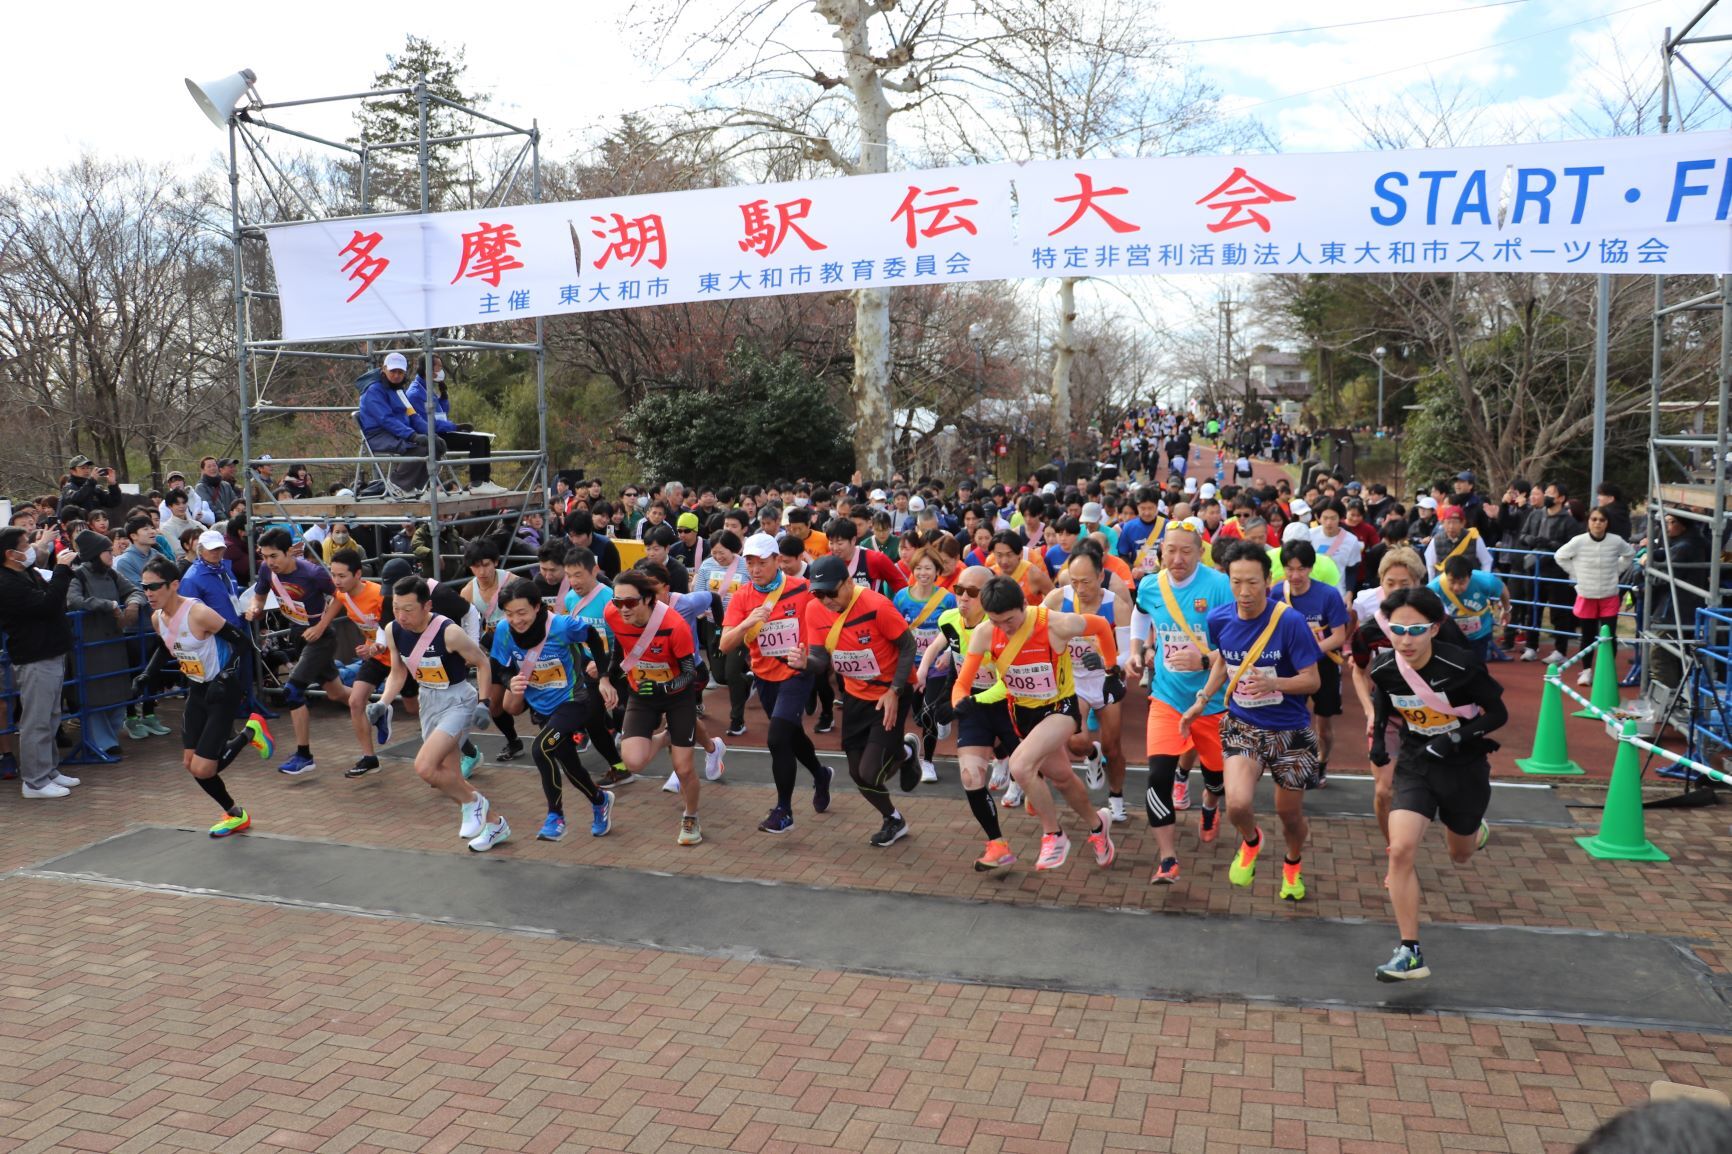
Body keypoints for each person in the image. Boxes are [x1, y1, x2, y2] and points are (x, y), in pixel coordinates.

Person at [1366, 586, 1506, 981]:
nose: (1405, 639)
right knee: (1401, 850)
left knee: (1459, 853)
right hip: (1416, 764)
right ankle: (1409, 951)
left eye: (1416, 630)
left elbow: (1497, 713)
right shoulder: (1384, 667)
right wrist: (1379, 743)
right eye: (1397, 630)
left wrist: (1455, 739)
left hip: (1464, 765)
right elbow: (1383, 703)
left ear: (1435, 628)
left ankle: (1474, 831)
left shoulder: (1460, 664)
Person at [1179, 540, 1323, 901]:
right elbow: (1223, 661)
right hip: (1243, 724)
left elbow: (1313, 680)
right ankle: (1251, 843)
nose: (1244, 592)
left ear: (1269, 580)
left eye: (1253, 583)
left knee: (1288, 814)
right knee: (1239, 803)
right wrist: (1201, 699)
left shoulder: (1289, 622)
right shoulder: (1219, 618)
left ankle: (1292, 864)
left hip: (1290, 730)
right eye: (1236, 582)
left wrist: (1274, 683)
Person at [951, 574, 1120, 872]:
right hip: (1024, 716)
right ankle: (1097, 826)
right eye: (996, 621)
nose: (1005, 628)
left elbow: (1102, 626)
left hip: (1061, 709)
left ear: (1024, 605)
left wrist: (1111, 667)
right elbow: (962, 684)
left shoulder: (1056, 623)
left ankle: (1053, 835)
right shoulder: (985, 633)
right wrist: (960, 702)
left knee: (1019, 766)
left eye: (1010, 621)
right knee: (1062, 778)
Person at [134, 557, 273, 836]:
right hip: (197, 689)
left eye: (154, 587)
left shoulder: (198, 613)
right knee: (190, 764)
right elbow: (165, 645)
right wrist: (148, 674)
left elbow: (243, 643)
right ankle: (236, 815)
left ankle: (250, 732)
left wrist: (224, 677)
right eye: (144, 587)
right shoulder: (156, 617)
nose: (148, 593)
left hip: (223, 690)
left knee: (203, 767)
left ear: (174, 585)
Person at [1127, 518, 1234, 882]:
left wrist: (1204, 660)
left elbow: (1240, 643)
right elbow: (1140, 615)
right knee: (1158, 775)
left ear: (1200, 552)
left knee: (1217, 777)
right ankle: (1168, 859)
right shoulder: (1150, 585)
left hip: (1214, 702)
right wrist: (1135, 649)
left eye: (1185, 551)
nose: (1177, 558)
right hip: (1167, 698)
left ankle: (1209, 803)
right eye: (1169, 550)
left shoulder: (1220, 586)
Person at [373, 575, 508, 851]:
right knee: (451, 778)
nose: (401, 615)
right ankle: (495, 825)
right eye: (396, 607)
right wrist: (383, 703)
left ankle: (475, 803)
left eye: (408, 609)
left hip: (458, 700)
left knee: (424, 767)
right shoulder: (393, 630)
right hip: (428, 700)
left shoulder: (449, 632)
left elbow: (483, 663)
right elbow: (398, 672)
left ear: (427, 606)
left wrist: (484, 702)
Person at [798, 556, 922, 846]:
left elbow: (908, 646)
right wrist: (806, 663)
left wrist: (893, 690)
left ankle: (903, 752)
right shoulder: (814, 610)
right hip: (854, 695)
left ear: (849, 582)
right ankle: (893, 818)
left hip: (891, 693)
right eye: (819, 593)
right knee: (856, 773)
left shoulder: (877, 606)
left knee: (870, 772)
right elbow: (820, 659)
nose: (826, 599)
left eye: (831, 592)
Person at [719, 532, 834, 833]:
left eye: (762, 562)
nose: (756, 570)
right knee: (792, 737)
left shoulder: (802, 589)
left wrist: (816, 653)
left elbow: (832, 615)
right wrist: (747, 622)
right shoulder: (743, 597)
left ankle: (783, 810)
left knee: (777, 737)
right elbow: (725, 645)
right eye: (750, 563)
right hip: (765, 676)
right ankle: (821, 775)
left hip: (797, 672)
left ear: (777, 561)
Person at [493, 578, 617, 841]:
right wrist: (509, 681)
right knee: (570, 767)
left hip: (574, 700)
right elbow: (499, 666)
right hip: (542, 706)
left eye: (522, 612)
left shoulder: (562, 626)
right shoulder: (504, 629)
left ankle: (555, 816)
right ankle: (600, 799)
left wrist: (603, 675)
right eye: (510, 613)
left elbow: (593, 636)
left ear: (538, 607)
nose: (516, 619)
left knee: (540, 749)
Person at [246, 528, 345, 776]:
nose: (270, 562)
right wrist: (254, 609)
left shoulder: (312, 573)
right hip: (299, 636)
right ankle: (376, 708)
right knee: (336, 692)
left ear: (289, 551)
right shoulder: (267, 571)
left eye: (274, 555)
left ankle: (304, 755)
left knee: (292, 690)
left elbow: (341, 596)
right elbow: (258, 597)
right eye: (265, 556)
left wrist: (321, 626)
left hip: (321, 638)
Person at [1044, 544, 1131, 822]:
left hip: (1106, 682)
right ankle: (1090, 756)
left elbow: (1128, 653)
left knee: (1113, 747)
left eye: (1087, 581)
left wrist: (1109, 660)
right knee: (1077, 743)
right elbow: (1033, 625)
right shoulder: (1058, 599)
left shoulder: (1115, 604)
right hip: (1073, 681)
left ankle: (1116, 797)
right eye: (1074, 580)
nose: (1080, 588)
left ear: (1101, 576)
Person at [0, 527, 83, 799]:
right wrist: (61, 569)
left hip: (51, 650)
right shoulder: (7, 582)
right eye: (25, 545)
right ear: (10, 554)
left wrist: (57, 574)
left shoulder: (25, 573)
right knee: (36, 719)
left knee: (51, 716)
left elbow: (53, 600)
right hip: (34, 655)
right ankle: (34, 780)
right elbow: (47, 605)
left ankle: (48, 769)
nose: (30, 549)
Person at [1271, 540, 1350, 790]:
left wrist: (1308, 650)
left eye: (1301, 569)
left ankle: (1322, 762)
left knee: (1324, 724)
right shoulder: (1275, 593)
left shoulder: (1328, 595)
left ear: (1311, 568)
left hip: (1324, 665)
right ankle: (1294, 766)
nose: (1295, 575)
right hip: (1290, 668)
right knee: (1293, 719)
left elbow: (1338, 636)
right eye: (1289, 568)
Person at [67, 529, 148, 757]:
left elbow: (134, 590)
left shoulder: (112, 574)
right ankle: (102, 742)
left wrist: (132, 605)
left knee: (117, 692)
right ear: (95, 554)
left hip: (114, 643)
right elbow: (73, 601)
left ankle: (110, 738)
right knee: (93, 694)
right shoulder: (77, 576)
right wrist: (107, 604)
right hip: (89, 646)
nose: (112, 555)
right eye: (107, 552)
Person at [1554, 506, 1637, 687]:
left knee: (1609, 636)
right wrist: (1576, 573)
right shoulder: (1579, 541)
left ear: (1607, 523)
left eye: (1602, 520)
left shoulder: (1615, 541)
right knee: (1587, 635)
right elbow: (1560, 556)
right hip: (1587, 593)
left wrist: (1617, 570)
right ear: (1588, 522)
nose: (1598, 523)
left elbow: (1629, 554)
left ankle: (1606, 671)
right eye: (1594, 519)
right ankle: (1586, 671)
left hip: (1609, 595)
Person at [894, 549, 956, 784]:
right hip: (911, 666)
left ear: (937, 571)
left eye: (928, 568)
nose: (923, 573)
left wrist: (949, 653)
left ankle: (927, 762)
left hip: (938, 666)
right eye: (919, 568)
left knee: (928, 712)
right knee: (918, 715)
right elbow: (894, 631)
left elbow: (956, 632)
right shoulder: (901, 598)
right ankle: (942, 715)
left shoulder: (947, 599)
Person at [461, 537, 523, 760]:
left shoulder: (513, 582)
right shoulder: (468, 592)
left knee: (522, 701)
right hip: (496, 654)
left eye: (486, 564)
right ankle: (513, 741)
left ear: (495, 562)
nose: (482, 570)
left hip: (522, 650)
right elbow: (467, 628)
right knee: (494, 706)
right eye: (476, 566)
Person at [407, 354, 503, 493]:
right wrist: (456, 427)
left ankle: (485, 481)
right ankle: (477, 483)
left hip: (441, 430)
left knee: (483, 439)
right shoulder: (415, 393)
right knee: (476, 441)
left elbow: (442, 413)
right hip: (432, 435)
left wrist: (444, 396)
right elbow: (428, 423)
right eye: (438, 367)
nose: (441, 370)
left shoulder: (428, 388)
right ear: (427, 369)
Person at [357, 352, 445, 494]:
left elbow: (413, 416)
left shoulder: (399, 390)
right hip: (378, 435)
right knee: (419, 448)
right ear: (384, 368)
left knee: (435, 446)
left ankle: (415, 486)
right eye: (393, 371)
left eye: (400, 372)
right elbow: (386, 419)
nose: (397, 375)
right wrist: (413, 436)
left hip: (398, 432)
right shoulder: (373, 390)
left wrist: (431, 434)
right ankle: (398, 485)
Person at [694, 529, 752, 735]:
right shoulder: (707, 566)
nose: (718, 557)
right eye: (715, 553)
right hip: (714, 624)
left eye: (722, 553)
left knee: (732, 672)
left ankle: (737, 719)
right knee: (719, 675)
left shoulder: (746, 566)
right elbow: (698, 593)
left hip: (739, 625)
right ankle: (749, 680)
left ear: (734, 549)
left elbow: (752, 593)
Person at [1428, 555, 1510, 666]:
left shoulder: (1485, 581)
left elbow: (1502, 589)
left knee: (1477, 666)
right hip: (1451, 635)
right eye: (1451, 582)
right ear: (1445, 576)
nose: (1456, 587)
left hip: (1479, 633)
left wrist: (1506, 610)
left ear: (1469, 577)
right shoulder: (1434, 587)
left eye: (1461, 582)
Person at [1423, 505, 1492, 576]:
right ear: (1443, 523)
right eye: (1448, 522)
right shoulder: (1436, 540)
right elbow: (1430, 564)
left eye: (1455, 522)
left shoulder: (1474, 538)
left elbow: (1486, 561)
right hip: (1445, 582)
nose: (1451, 526)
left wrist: (1484, 580)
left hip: (1469, 580)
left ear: (1462, 523)